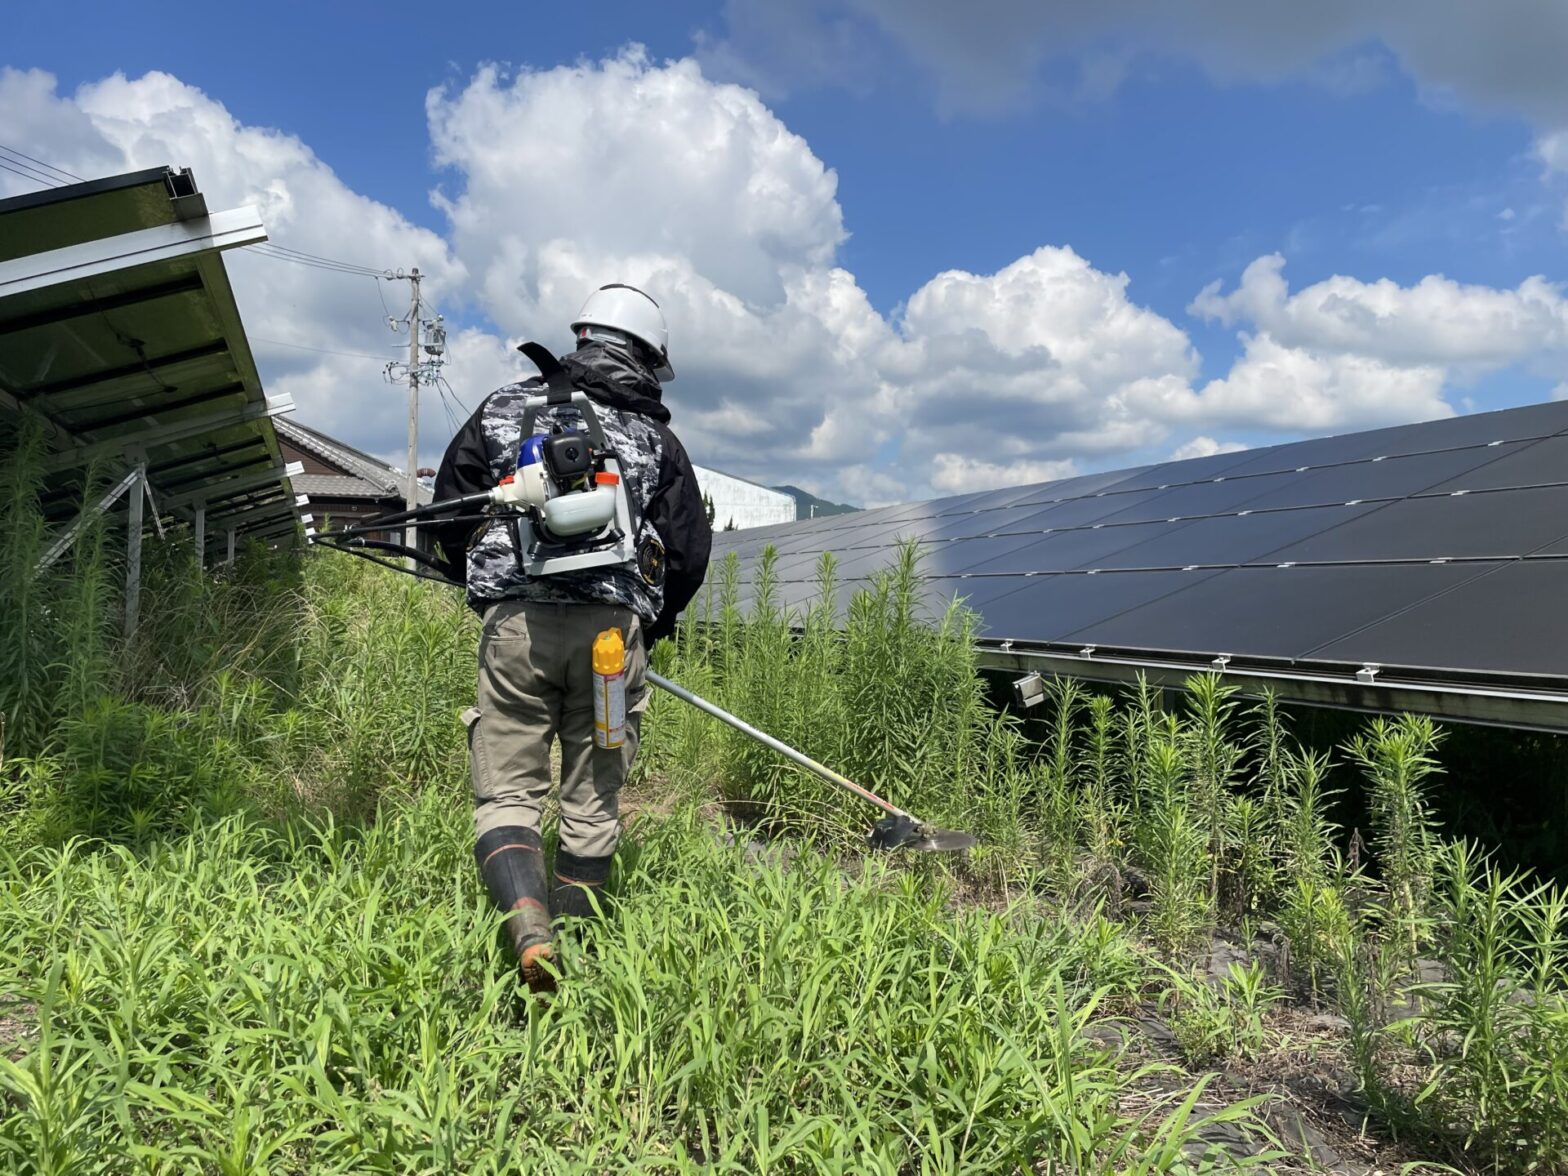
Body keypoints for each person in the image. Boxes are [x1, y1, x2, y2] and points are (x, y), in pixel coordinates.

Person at [431, 283, 712, 989]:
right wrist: (653, 623)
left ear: (583, 336)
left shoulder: (503, 407)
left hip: (517, 633)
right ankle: (580, 952)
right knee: (592, 798)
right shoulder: (656, 438)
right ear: (647, 357)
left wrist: (491, 594)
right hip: (612, 646)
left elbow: (447, 512)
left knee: (507, 794)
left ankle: (529, 928)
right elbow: (687, 550)